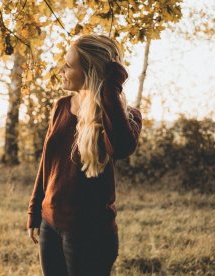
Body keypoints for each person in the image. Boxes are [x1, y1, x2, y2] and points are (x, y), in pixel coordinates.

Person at [26, 34, 143, 276]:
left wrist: (109, 85)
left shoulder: (124, 116)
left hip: (90, 234)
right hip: (51, 224)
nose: (61, 69)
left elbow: (120, 148)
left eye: (69, 65)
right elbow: (47, 163)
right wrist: (35, 212)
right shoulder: (61, 106)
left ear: (90, 70)